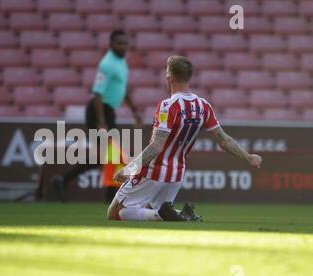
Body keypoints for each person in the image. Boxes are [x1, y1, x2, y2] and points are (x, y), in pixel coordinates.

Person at [107, 55, 263, 221]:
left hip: (154, 172)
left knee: (115, 213)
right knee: (152, 211)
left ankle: (167, 214)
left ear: (170, 77)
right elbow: (223, 140)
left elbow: (157, 145)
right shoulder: (203, 105)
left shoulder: (168, 106)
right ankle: (182, 214)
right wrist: (248, 157)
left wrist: (130, 169)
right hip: (176, 174)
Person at [53, 30, 142, 202]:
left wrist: (134, 110)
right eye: (119, 43)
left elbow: (123, 87)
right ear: (111, 45)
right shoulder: (107, 64)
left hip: (108, 112)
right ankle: (112, 199)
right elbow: (97, 94)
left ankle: (63, 180)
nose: (123, 47)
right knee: (114, 156)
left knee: (103, 157)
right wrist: (101, 121)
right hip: (98, 112)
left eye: (125, 43)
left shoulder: (121, 61)